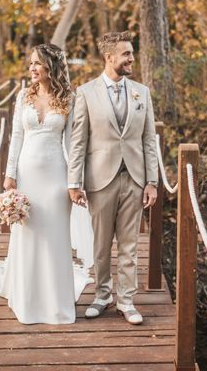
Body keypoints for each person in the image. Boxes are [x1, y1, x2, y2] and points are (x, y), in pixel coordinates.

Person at [0, 43, 92, 324]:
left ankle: (55, 304)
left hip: (55, 179)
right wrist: (10, 176)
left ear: (51, 67)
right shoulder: (23, 96)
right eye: (31, 64)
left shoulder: (69, 99)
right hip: (26, 177)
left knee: (53, 238)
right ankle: (27, 300)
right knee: (28, 236)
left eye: (37, 64)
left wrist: (74, 182)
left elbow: (74, 144)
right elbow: (15, 139)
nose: (32, 69)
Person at [68, 31, 158, 325]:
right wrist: (74, 182)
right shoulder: (85, 93)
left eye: (131, 53)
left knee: (130, 244)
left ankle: (127, 301)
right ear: (109, 58)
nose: (132, 59)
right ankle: (102, 295)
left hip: (134, 178)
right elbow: (78, 141)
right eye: (127, 54)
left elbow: (148, 140)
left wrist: (152, 181)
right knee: (102, 244)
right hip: (99, 180)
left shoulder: (141, 92)